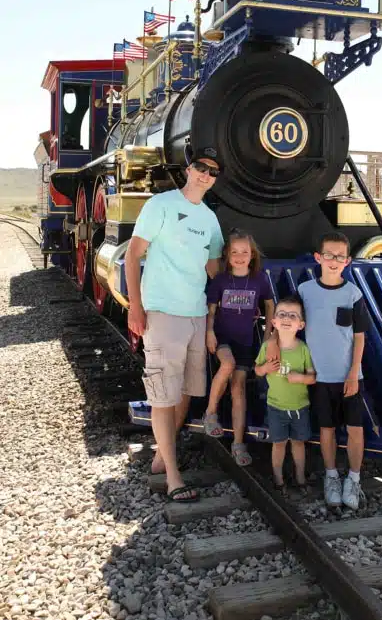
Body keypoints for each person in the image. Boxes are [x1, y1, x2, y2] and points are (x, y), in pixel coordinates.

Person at [125, 147, 225, 502]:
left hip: (196, 313)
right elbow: (133, 255)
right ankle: (172, 476)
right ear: (189, 169)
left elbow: (214, 269)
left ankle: (160, 456)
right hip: (163, 311)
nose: (205, 174)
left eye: (213, 172)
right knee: (163, 396)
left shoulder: (210, 220)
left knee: (184, 391)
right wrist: (136, 306)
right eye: (201, 167)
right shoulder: (161, 205)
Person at [267, 231, 369, 509]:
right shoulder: (305, 291)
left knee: (355, 429)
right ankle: (332, 476)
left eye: (339, 257)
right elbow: (288, 321)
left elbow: (360, 336)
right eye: (329, 255)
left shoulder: (353, 293)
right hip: (318, 377)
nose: (333, 261)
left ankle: (355, 478)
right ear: (318, 258)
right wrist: (273, 342)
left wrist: (353, 372)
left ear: (347, 261)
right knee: (326, 429)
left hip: (348, 376)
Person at [202, 229, 275, 466]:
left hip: (245, 341)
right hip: (223, 337)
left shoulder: (259, 279)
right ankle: (210, 413)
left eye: (244, 252)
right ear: (227, 255)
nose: (240, 256)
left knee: (238, 388)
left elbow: (269, 305)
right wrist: (210, 332)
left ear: (252, 254)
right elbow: (211, 309)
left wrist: (267, 336)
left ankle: (238, 443)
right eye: (235, 252)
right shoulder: (222, 279)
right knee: (228, 364)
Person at [255, 295, 316, 493]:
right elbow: (257, 370)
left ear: (301, 324)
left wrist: (300, 378)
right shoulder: (267, 347)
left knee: (298, 443)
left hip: (300, 406)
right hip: (276, 406)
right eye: (282, 314)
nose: (287, 318)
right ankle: (278, 478)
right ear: (273, 322)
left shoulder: (303, 349)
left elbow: (312, 377)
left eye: (293, 315)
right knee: (278, 444)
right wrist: (265, 368)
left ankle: (300, 477)